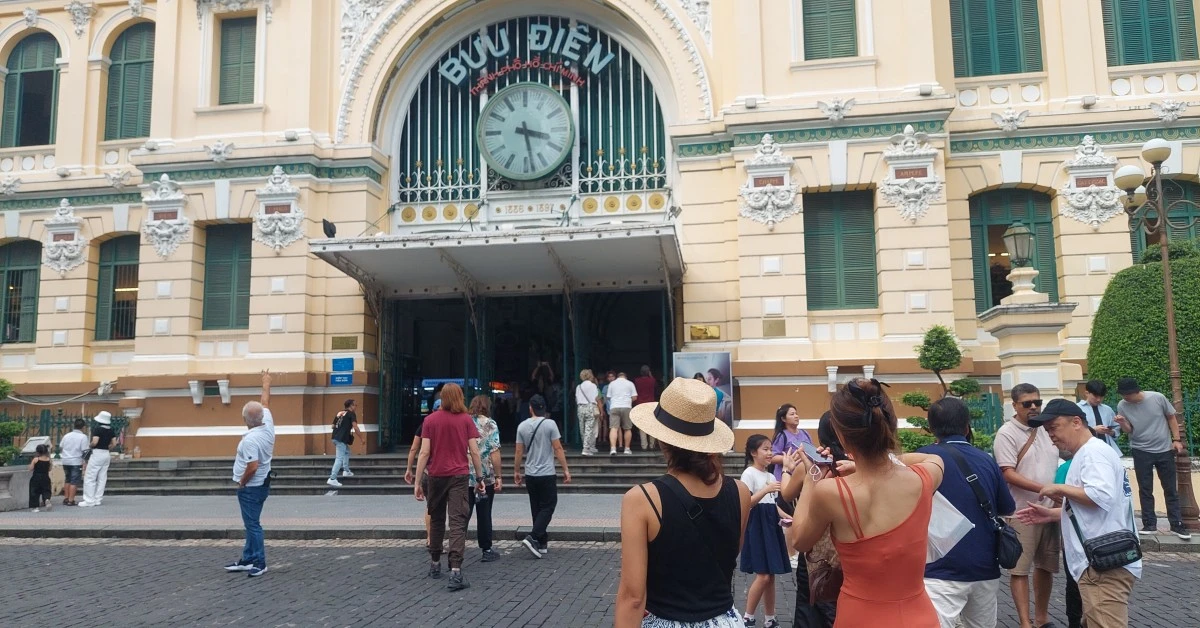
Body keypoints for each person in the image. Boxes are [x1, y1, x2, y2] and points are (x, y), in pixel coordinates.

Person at [784, 377, 944, 627]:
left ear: (841, 435)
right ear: (890, 424)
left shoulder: (832, 492)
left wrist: (812, 476)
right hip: (919, 615)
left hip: (859, 616)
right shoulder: (924, 478)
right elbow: (934, 459)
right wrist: (882, 461)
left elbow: (800, 540)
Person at [614, 377, 750, 627]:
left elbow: (633, 598)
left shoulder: (642, 500)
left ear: (662, 439)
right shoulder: (740, 491)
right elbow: (727, 554)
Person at [1016, 400, 1142, 628]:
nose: (1051, 435)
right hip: (1101, 560)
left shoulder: (1093, 453)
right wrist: (1054, 514)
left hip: (1103, 564)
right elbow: (1098, 506)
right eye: (1047, 430)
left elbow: (1100, 496)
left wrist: (1058, 488)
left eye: (1054, 427)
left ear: (1076, 422)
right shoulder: (1089, 453)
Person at [919, 397, 1016, 628]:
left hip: (939, 568)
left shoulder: (922, 459)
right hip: (984, 565)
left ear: (931, 427)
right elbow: (1007, 507)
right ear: (967, 426)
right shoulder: (986, 460)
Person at [993, 383, 1059, 628]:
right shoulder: (1007, 433)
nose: (1033, 407)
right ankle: (1024, 622)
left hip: (1049, 510)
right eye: (1027, 403)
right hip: (1022, 511)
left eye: (1037, 402)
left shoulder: (1045, 428)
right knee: (1020, 569)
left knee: (1046, 567)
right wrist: (1043, 489)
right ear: (1015, 406)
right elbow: (1007, 473)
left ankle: (1042, 618)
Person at [413, 382, 485, 591]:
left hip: (435, 476)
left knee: (436, 519)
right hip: (459, 476)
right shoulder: (466, 420)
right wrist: (480, 477)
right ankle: (455, 570)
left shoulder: (430, 420)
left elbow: (424, 452)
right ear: (460, 397)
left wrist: (417, 481)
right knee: (457, 522)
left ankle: (435, 563)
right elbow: (474, 451)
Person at [1114, 377, 1190, 540]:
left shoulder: (1157, 398)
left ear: (1136, 391)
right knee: (1145, 488)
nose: (1125, 397)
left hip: (1164, 449)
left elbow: (1171, 417)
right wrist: (1122, 422)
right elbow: (1128, 430)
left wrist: (1176, 440)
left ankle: (1177, 524)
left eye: (1127, 394)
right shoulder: (1122, 405)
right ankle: (1149, 524)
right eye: (1123, 394)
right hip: (1140, 450)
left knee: (1170, 488)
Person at [224, 370, 276, 578]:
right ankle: (248, 559)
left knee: (253, 525)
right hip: (262, 483)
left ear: (245, 419)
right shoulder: (267, 425)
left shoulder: (250, 440)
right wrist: (266, 382)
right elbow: (265, 402)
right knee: (250, 522)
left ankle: (260, 562)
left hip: (252, 486)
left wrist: (242, 483)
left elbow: (252, 466)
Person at [740, 434, 790, 628]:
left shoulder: (770, 476)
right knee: (763, 576)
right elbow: (747, 503)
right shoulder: (749, 474)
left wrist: (786, 516)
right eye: (765, 449)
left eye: (771, 449)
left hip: (771, 526)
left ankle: (770, 618)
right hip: (757, 527)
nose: (770, 453)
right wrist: (766, 490)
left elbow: (772, 505)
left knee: (771, 576)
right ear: (754, 453)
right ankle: (748, 617)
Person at [514, 394, 572, 558]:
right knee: (549, 505)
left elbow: (519, 451)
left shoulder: (522, 426)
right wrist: (565, 469)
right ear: (544, 408)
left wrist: (517, 471)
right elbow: (558, 448)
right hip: (547, 472)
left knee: (536, 507)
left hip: (530, 473)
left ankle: (541, 542)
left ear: (530, 408)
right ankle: (533, 537)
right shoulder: (550, 424)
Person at [467, 394, 502, 563]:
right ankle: (486, 549)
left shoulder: (464, 422)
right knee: (484, 513)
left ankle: (456, 546)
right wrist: (499, 475)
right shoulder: (490, 424)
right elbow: (494, 451)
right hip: (485, 475)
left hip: (464, 474)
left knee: (462, 513)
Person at [1055, 448, 1083, 628]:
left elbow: (1057, 498)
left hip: (1072, 534)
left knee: (1073, 580)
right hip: (1089, 536)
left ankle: (1074, 622)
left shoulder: (1065, 468)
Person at [79, 411, 116, 508]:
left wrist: (90, 445)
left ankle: (89, 500)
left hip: (97, 453)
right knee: (102, 477)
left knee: (90, 477)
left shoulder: (97, 429)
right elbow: (114, 443)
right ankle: (98, 499)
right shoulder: (111, 430)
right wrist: (107, 447)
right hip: (106, 454)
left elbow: (95, 442)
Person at [1076, 380, 1121, 455]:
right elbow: (1073, 430)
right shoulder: (1078, 408)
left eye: (1101, 397)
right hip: (1085, 449)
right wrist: (1093, 430)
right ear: (1087, 393)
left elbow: (1116, 427)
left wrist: (1112, 432)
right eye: (1095, 396)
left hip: (1106, 449)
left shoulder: (1107, 409)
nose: (1098, 399)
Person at [771, 404, 813, 483]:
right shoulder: (782, 436)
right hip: (786, 477)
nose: (796, 416)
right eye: (792, 414)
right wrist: (789, 459)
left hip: (804, 476)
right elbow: (772, 457)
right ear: (783, 419)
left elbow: (812, 451)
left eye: (796, 413)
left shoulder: (805, 433)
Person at [327, 398, 364, 488]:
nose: (356, 407)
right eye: (355, 405)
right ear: (351, 406)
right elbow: (355, 427)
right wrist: (362, 438)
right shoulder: (351, 414)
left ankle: (346, 471)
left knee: (347, 452)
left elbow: (332, 426)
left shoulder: (340, 413)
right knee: (339, 458)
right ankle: (332, 478)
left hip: (335, 437)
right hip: (341, 438)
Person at [59, 418, 88, 506]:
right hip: (76, 461)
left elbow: (61, 446)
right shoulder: (83, 437)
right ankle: (71, 500)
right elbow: (85, 451)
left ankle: (66, 498)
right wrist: (85, 462)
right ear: (83, 427)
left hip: (65, 460)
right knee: (74, 481)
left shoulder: (66, 435)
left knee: (67, 479)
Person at [607, 372, 637, 455]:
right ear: (625, 377)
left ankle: (613, 449)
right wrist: (628, 401)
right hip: (626, 407)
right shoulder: (630, 383)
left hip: (614, 407)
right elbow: (634, 397)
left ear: (618, 377)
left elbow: (608, 397)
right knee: (627, 428)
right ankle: (627, 449)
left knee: (613, 428)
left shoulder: (612, 384)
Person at [576, 369, 603, 456]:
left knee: (582, 428)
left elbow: (576, 398)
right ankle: (586, 448)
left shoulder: (578, 387)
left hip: (580, 408)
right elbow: (596, 397)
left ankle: (585, 446)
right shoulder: (593, 386)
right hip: (590, 407)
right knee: (589, 428)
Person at [634, 365, 658, 450]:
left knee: (642, 425)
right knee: (651, 425)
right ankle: (652, 445)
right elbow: (656, 385)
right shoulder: (652, 380)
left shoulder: (637, 381)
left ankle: (644, 445)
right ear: (648, 372)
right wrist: (650, 375)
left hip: (640, 405)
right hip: (650, 405)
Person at [28, 444, 52, 512]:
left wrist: (30, 465)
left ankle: (35, 507)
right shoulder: (49, 460)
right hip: (45, 477)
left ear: (38, 452)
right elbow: (49, 469)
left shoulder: (36, 459)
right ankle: (46, 499)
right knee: (46, 490)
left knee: (34, 492)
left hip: (36, 477)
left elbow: (31, 468)